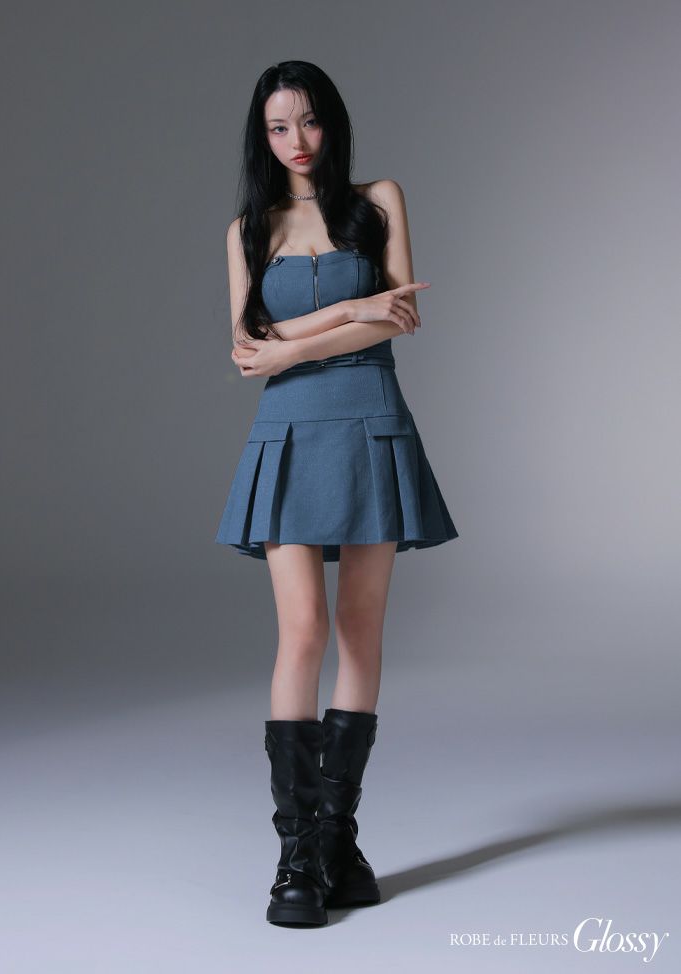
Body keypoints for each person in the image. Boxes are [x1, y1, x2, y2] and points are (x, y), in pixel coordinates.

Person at [215, 61, 459, 926]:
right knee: (302, 632)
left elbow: (402, 315)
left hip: (369, 420)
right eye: (280, 127)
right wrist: (336, 320)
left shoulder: (378, 200)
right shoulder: (248, 228)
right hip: (289, 432)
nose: (298, 141)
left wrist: (290, 342)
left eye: (310, 121)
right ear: (263, 136)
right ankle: (299, 854)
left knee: (359, 630)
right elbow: (246, 352)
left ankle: (333, 843)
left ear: (332, 123)